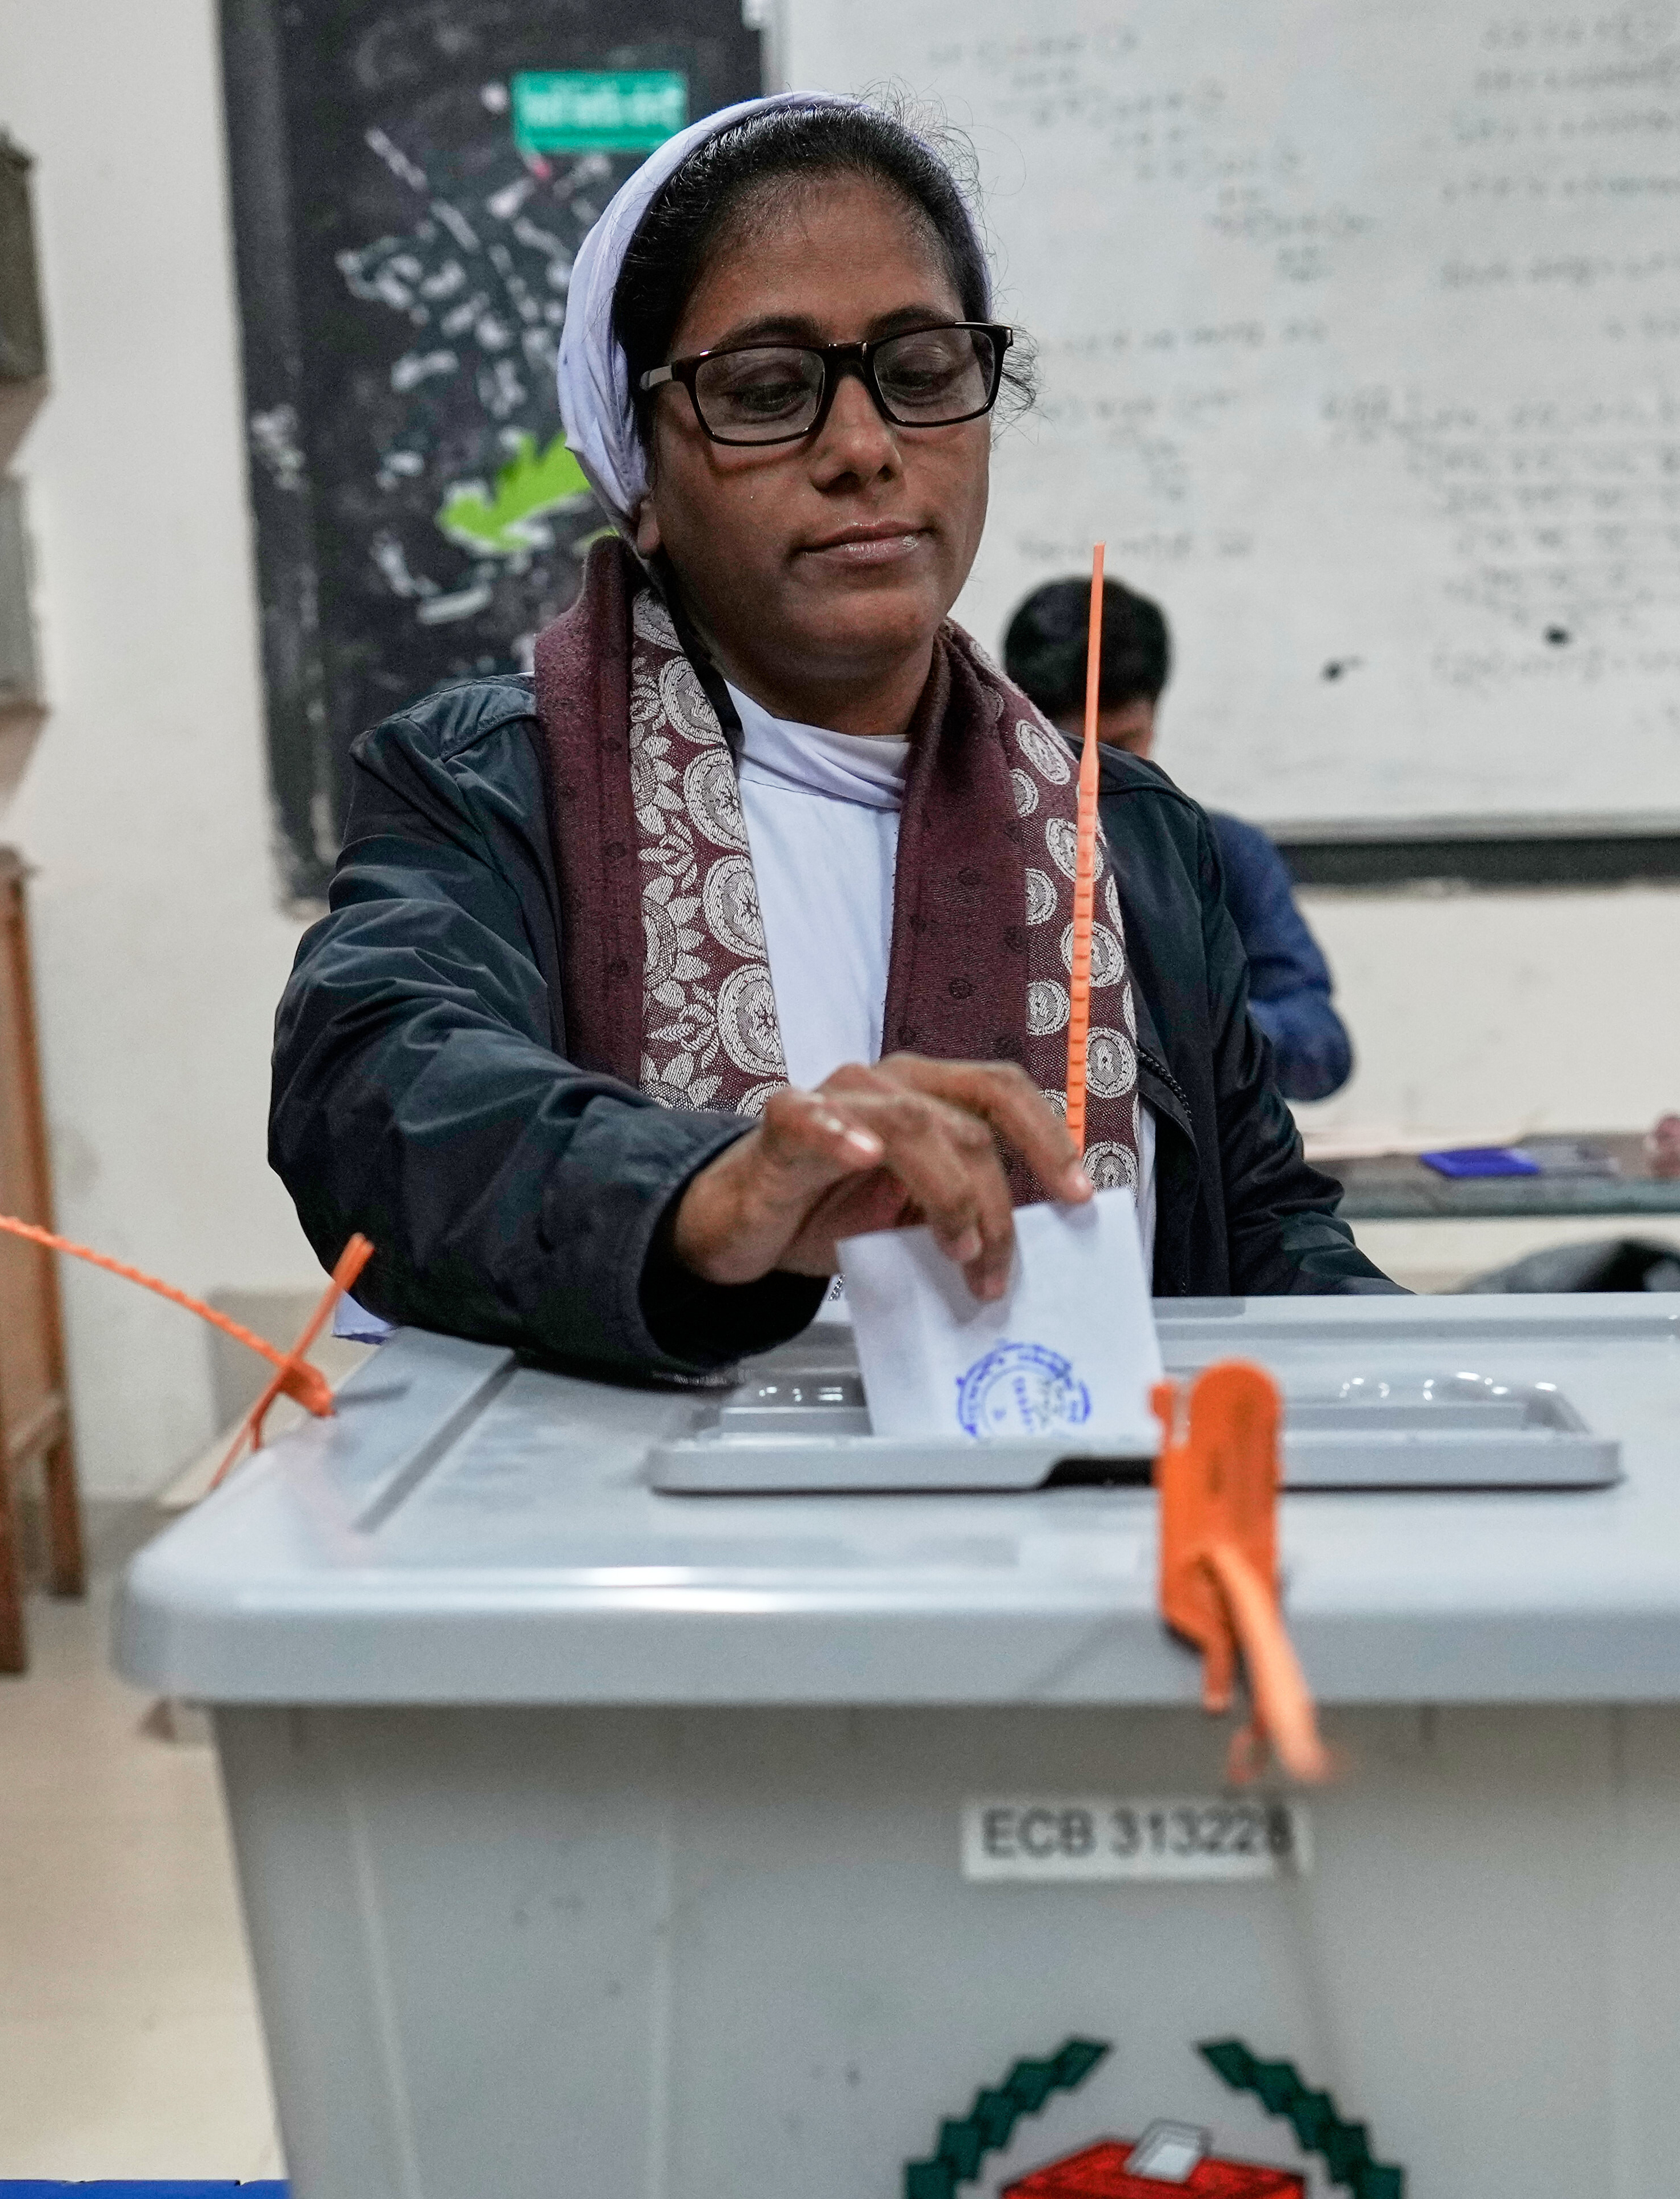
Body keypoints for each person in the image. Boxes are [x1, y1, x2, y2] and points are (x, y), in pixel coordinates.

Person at [269, 94, 1391, 1376]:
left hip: (1078, 1550)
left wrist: (1459, 1410)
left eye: (920, 377)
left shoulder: (1124, 834)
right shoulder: (492, 786)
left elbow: (1258, 1235)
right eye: (764, 391)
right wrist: (707, 1193)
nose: (863, 449)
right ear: (635, 471)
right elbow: (377, 1095)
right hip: (637, 1556)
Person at [1002, 575, 1353, 1104]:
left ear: (1156, 714)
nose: (1098, 775)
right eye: (1070, 750)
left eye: (1124, 744)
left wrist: (1202, 1024)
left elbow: (1322, 1049)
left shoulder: (1222, 854)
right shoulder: (983, 855)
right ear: (1024, 725)